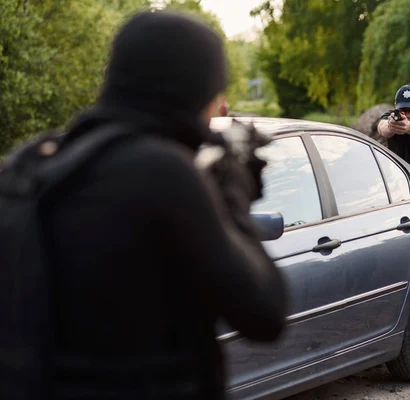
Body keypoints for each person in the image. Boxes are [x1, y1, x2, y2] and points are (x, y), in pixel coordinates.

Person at [40, 10, 286, 399]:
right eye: (214, 95)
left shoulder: (45, 163)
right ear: (193, 92)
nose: (218, 110)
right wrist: (233, 190)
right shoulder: (162, 172)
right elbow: (265, 313)